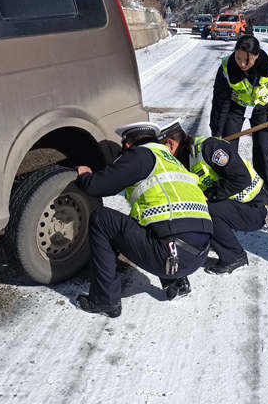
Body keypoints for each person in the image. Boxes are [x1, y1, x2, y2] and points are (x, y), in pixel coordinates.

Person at [74, 122, 213, 317]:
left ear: (128, 145)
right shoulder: (172, 161)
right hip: (199, 255)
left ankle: (105, 300)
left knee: (102, 219)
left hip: (172, 257)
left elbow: (98, 186)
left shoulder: (140, 155)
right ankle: (177, 283)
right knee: (156, 221)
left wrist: (86, 176)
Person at [161, 121, 268, 274]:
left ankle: (234, 256)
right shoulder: (183, 159)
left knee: (205, 209)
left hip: (254, 208)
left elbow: (241, 178)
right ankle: (216, 237)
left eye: (160, 149)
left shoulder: (209, 148)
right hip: (234, 206)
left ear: (170, 144)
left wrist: (209, 195)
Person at [209, 34, 268, 217]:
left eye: (246, 59)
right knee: (226, 151)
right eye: (238, 58)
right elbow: (219, 101)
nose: (241, 64)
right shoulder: (227, 67)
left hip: (261, 109)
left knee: (262, 150)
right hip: (235, 107)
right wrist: (217, 132)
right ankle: (226, 195)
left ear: (257, 55)